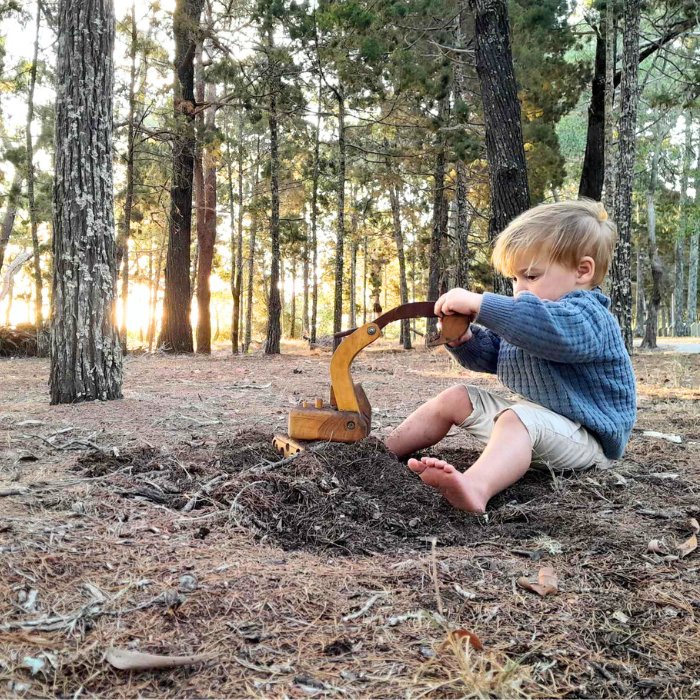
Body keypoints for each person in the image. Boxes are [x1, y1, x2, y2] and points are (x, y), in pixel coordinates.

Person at [385, 199, 636, 513]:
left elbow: (553, 333)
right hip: (536, 428)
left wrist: (481, 304)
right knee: (456, 397)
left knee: (517, 417)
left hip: (586, 443)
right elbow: (495, 353)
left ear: (582, 271)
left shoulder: (588, 317)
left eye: (531, 276)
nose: (519, 290)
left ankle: (475, 487)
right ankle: (378, 452)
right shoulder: (529, 317)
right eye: (514, 280)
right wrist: (465, 341)